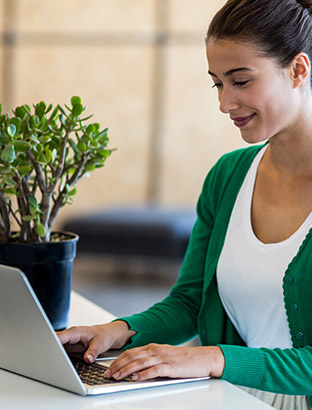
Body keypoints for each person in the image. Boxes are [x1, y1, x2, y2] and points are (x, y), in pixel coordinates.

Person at [58, 1, 312, 408]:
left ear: (298, 70)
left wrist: (210, 357)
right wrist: (119, 330)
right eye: (217, 83)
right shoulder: (228, 176)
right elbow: (191, 301)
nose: (225, 103)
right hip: (229, 396)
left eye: (241, 81)